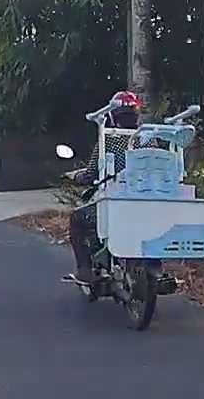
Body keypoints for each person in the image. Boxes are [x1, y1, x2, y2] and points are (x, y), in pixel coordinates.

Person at [65, 90, 143, 284]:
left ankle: (85, 270)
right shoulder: (147, 138)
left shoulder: (108, 139)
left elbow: (92, 174)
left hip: (115, 204)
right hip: (145, 203)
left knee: (78, 219)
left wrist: (77, 176)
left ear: (113, 116)